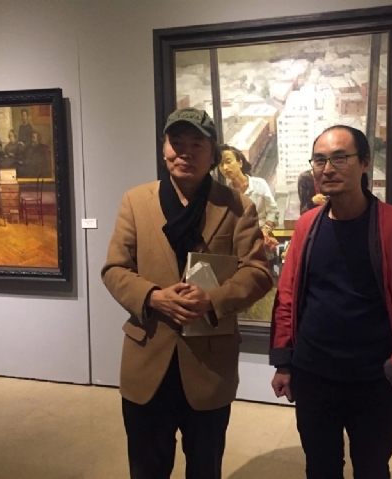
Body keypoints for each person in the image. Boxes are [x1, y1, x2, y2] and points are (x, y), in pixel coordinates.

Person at [102, 107, 272, 479]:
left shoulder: (237, 206)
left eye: (197, 144)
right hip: (148, 358)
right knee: (147, 469)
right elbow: (114, 269)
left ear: (213, 154)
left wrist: (212, 299)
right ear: (164, 148)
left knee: (205, 468)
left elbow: (258, 272)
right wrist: (152, 296)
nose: (185, 153)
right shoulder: (136, 202)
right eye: (176, 143)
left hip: (209, 362)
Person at [270, 125, 392, 479]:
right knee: (320, 467)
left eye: (339, 158)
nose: (328, 168)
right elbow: (287, 295)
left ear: (364, 163)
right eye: (320, 160)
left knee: (372, 468)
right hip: (313, 374)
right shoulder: (307, 226)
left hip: (373, 379)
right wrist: (284, 363)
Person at [217, 144, 280, 254]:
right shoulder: (226, 193)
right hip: (241, 246)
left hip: (264, 240)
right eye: (221, 164)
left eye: (228, 161)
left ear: (240, 163)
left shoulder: (259, 184)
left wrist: (265, 230)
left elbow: (273, 211)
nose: (225, 168)